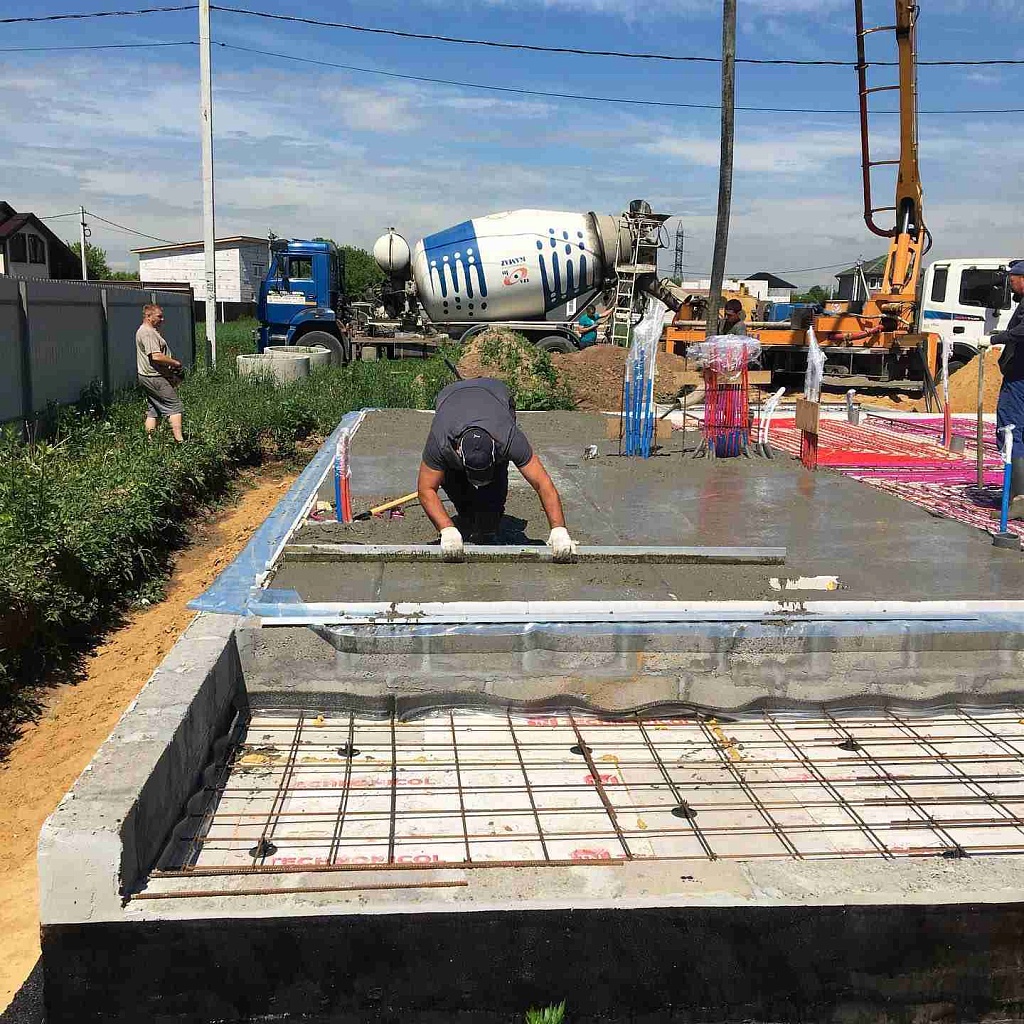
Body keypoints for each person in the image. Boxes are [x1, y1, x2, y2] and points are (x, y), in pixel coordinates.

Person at [417, 377, 578, 562]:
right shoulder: (440, 441)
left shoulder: (509, 438)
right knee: (451, 479)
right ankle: (467, 515)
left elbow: (542, 483)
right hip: (450, 396)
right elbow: (426, 489)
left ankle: (488, 523)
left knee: (490, 510)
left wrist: (559, 530)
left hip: (496, 394)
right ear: (458, 451)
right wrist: (447, 529)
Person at [994, 260, 1024, 518]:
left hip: (1019, 378)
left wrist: (995, 338)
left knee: (1011, 430)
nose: (1011, 284)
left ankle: (1018, 498)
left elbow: (1021, 332)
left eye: (1013, 280)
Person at [136, 303, 184, 442]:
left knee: (154, 410)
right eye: (159, 316)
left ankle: (149, 441)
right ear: (148, 316)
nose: (162, 319)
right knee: (175, 407)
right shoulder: (147, 333)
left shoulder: (148, 331)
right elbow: (155, 356)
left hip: (147, 376)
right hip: (154, 376)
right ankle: (180, 442)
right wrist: (175, 363)